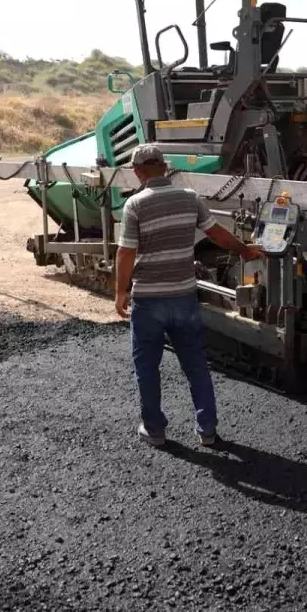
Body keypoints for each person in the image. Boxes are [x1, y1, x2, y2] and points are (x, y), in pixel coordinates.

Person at [114, 144, 265, 448]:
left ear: (138, 172)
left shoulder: (135, 205)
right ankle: (207, 430)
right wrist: (245, 250)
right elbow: (218, 234)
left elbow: (126, 253)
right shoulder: (189, 198)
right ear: (166, 167)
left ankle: (154, 430)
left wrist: (120, 291)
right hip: (184, 297)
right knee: (196, 364)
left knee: (147, 367)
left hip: (148, 301)